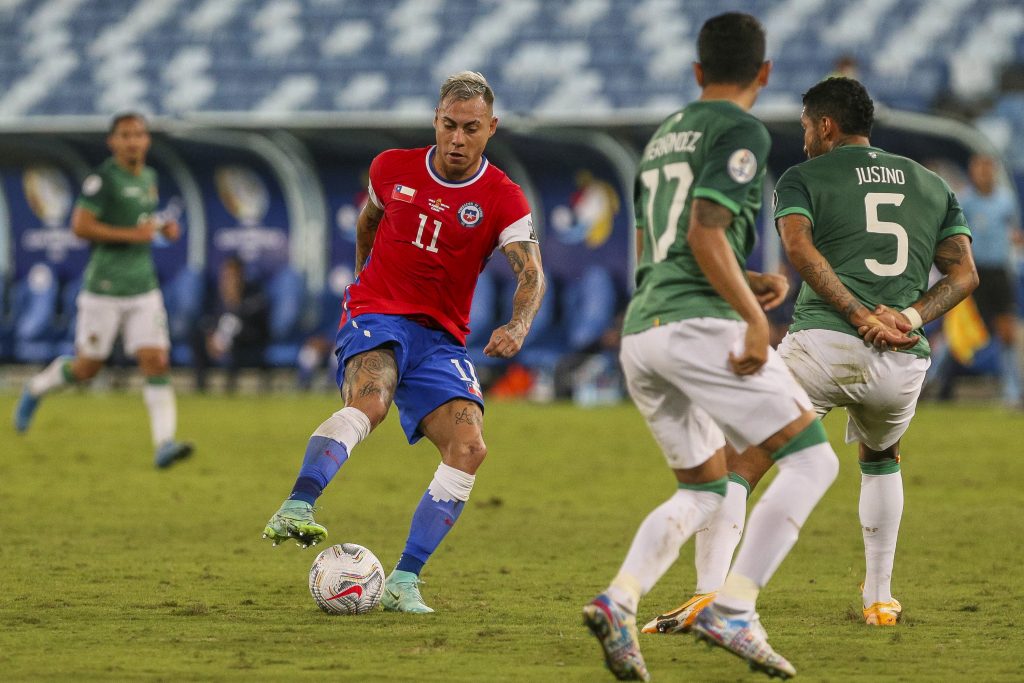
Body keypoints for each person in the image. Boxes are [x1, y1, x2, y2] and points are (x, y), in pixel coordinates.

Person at [641, 77, 979, 637]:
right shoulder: (930, 183)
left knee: (738, 460)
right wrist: (908, 319)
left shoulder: (803, 177)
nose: (802, 140)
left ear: (825, 125)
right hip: (901, 360)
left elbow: (799, 248)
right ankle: (880, 599)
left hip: (824, 344)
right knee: (882, 456)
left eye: (804, 127)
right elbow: (964, 273)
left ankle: (709, 596)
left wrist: (856, 315)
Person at [582, 13, 853, 680]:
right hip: (698, 327)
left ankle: (618, 601)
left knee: (704, 488)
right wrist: (757, 319)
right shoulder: (742, 129)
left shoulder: (663, 136)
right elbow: (704, 235)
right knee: (813, 463)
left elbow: (671, 245)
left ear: (698, 72)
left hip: (644, 329)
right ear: (763, 73)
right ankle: (733, 607)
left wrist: (747, 273)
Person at [261, 71, 546, 614]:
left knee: (469, 448)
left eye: (470, 129)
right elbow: (369, 222)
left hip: (440, 338)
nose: (457, 139)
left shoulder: (503, 197)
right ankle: (298, 504)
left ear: (491, 128)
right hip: (378, 313)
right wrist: (363, 283)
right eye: (448, 126)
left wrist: (518, 324)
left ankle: (403, 581)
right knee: (372, 401)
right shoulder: (390, 167)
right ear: (435, 121)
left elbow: (530, 272)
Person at [13, 112, 194, 469]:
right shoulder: (102, 180)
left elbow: (140, 222)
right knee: (86, 368)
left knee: (156, 360)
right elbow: (80, 226)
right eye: (125, 135)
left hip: (143, 287)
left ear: (147, 141)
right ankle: (35, 388)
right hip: (104, 288)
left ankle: (164, 444)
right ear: (113, 142)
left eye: (138, 135)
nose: (133, 141)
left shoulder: (149, 177)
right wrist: (135, 235)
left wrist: (162, 228)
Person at [931, 153, 1022, 406]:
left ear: (992, 171)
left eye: (987, 168)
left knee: (1006, 334)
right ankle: (932, 382)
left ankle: (1013, 393)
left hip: (999, 274)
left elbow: (1012, 232)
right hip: (972, 273)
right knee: (958, 332)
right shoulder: (966, 201)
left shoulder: (1005, 200)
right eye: (978, 169)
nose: (983, 173)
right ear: (972, 172)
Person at [191, 255, 269, 393]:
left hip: (247, 339)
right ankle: (200, 386)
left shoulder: (254, 291)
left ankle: (229, 388)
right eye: (226, 274)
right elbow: (207, 317)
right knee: (198, 336)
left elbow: (255, 319)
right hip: (219, 339)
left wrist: (234, 301)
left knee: (234, 329)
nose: (228, 278)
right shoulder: (216, 293)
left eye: (232, 274)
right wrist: (211, 335)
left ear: (241, 274)